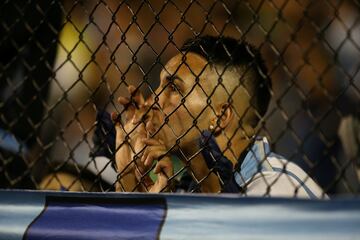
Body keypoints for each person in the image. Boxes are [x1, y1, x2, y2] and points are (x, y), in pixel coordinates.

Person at [107, 35, 325, 198]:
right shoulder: (185, 188)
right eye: (159, 86)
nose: (153, 100)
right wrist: (127, 177)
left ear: (220, 116)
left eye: (174, 89)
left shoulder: (280, 191)